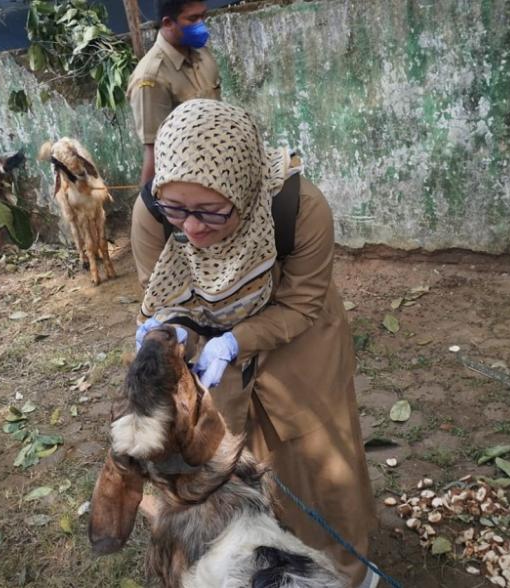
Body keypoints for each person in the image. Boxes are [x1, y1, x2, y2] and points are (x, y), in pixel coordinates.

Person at [130, 99, 379, 587]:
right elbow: (159, 294)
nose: (192, 228)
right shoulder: (151, 214)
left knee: (322, 472)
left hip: (301, 350)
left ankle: (347, 571)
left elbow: (302, 304)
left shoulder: (299, 207)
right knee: (244, 476)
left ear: (243, 192)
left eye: (211, 212)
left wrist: (235, 340)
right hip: (215, 364)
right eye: (176, 209)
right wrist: (175, 329)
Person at [127, 0, 221, 185]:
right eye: (193, 18)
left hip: (219, 169)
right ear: (168, 23)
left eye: (203, 16)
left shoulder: (202, 55)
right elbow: (154, 152)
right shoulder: (151, 77)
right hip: (189, 182)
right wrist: (150, 209)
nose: (201, 25)